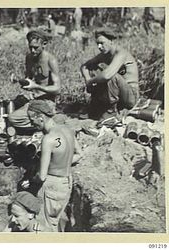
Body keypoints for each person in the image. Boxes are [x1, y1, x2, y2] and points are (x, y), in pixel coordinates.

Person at [22, 100, 81, 232]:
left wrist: (30, 180)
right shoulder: (68, 130)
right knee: (57, 224)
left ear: (40, 117)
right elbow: (79, 154)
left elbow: (42, 176)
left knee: (45, 228)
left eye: (32, 120)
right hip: (66, 184)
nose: (31, 124)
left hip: (51, 186)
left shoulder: (48, 139)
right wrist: (61, 162)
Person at [80, 28, 139, 120]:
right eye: (97, 44)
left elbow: (106, 75)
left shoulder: (121, 54)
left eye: (102, 43)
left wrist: (91, 81)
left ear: (111, 41)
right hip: (118, 95)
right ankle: (96, 105)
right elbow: (84, 66)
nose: (99, 46)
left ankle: (111, 112)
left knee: (111, 75)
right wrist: (88, 79)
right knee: (94, 69)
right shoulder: (104, 55)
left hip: (130, 96)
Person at [8, 29, 61, 129]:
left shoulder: (51, 60)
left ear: (44, 44)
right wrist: (19, 80)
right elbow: (29, 79)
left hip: (47, 101)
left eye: (36, 48)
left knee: (13, 119)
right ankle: (41, 122)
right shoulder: (29, 57)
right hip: (33, 99)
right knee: (10, 108)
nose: (32, 51)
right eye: (30, 47)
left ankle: (45, 124)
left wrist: (36, 86)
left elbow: (57, 89)